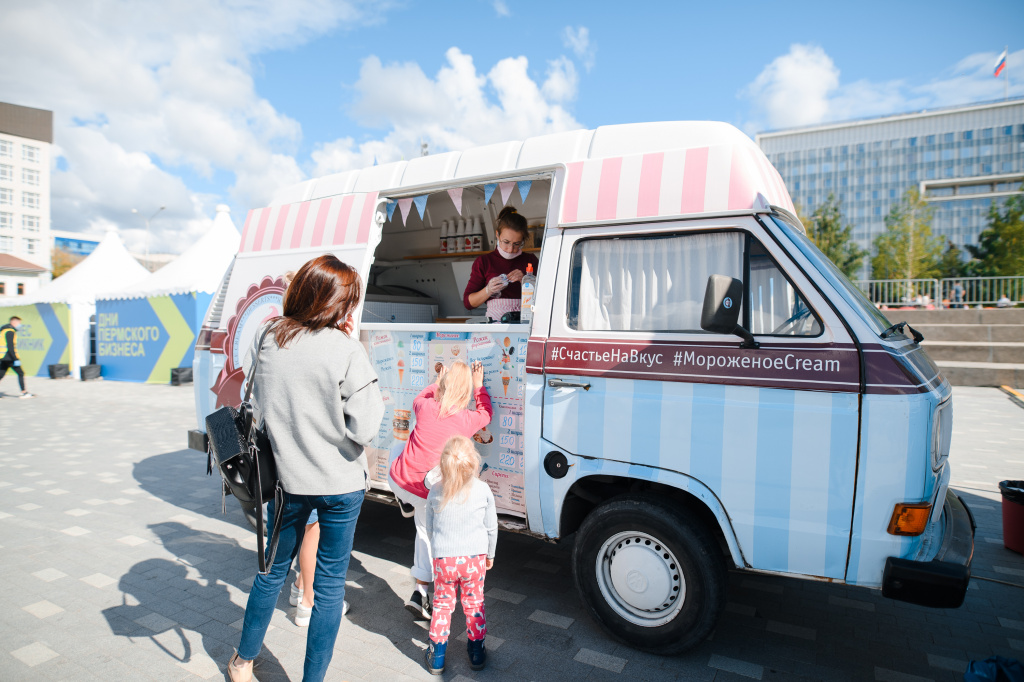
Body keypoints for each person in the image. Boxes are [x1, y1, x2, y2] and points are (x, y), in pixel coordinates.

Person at [228, 255, 385, 682]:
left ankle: (242, 662)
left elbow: (253, 385)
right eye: (348, 302)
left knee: (271, 572)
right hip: (340, 485)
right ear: (337, 305)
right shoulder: (347, 350)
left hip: (286, 480)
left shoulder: (266, 337)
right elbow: (367, 426)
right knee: (330, 587)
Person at [388, 360, 492, 620]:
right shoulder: (467, 419)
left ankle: (403, 500)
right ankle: (421, 592)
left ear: (444, 386)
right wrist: (479, 387)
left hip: (397, 479)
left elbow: (419, 396)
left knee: (399, 442)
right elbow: (486, 414)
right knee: (424, 534)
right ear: (465, 390)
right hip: (425, 491)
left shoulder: (425, 406)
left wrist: (437, 381)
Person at [423, 435, 497, 675]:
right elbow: (491, 527)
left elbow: (431, 528)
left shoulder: (435, 491)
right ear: (474, 462)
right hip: (474, 559)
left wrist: (437, 555)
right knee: (474, 603)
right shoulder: (483, 489)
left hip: (445, 559)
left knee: (442, 605)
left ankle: (437, 656)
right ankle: (476, 652)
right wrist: (490, 554)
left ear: (444, 465)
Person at [462, 207, 539, 321]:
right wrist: (488, 290)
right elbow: (468, 303)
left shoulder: (530, 260)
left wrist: (526, 280)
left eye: (517, 244)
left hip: (525, 321)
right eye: (506, 242)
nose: (510, 249)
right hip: (495, 323)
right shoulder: (484, 262)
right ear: (497, 235)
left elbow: (546, 297)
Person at [0, 316, 32, 399]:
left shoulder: (4, 330)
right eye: (19, 323)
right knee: (21, 373)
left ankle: (24, 392)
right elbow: (10, 347)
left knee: (1, 374)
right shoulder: (10, 332)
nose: (20, 325)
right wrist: (15, 359)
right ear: (14, 322)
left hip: (3, 357)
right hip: (9, 357)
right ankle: (24, 392)